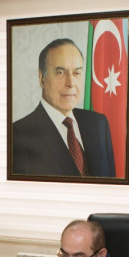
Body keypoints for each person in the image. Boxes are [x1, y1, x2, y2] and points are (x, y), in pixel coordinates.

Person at [12, 38, 116, 178]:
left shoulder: (98, 124)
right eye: (60, 72)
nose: (71, 83)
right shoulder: (18, 135)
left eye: (76, 73)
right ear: (41, 78)